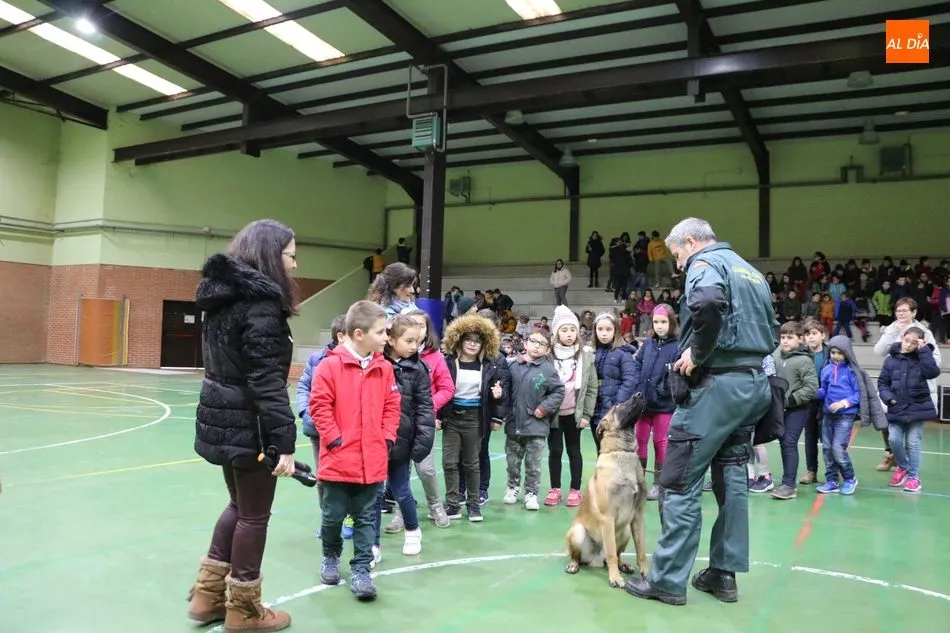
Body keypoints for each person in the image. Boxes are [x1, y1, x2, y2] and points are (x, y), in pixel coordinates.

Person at [625, 217, 777, 607]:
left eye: (677, 255)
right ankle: (723, 575)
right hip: (753, 384)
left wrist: (698, 352)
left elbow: (707, 303)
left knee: (677, 480)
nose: (678, 265)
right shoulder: (752, 271)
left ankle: (667, 581)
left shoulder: (706, 265)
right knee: (732, 478)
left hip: (716, 388)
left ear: (690, 242)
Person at [187, 219, 299, 632]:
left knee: (239, 506)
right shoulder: (260, 307)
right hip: (247, 424)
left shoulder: (223, 300)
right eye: (290, 255)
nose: (294, 263)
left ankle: (206, 597)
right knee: (254, 515)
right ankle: (244, 610)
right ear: (271, 256)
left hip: (220, 417)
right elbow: (266, 381)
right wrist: (283, 442)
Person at [310, 300, 401, 601]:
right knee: (332, 516)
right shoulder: (330, 366)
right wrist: (335, 440)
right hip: (338, 461)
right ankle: (331, 556)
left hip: (372, 461)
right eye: (381, 332)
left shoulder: (384, 368)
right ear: (359, 334)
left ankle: (362, 569)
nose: (386, 338)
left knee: (366, 519)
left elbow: (391, 406)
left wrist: (386, 437)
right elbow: (319, 406)